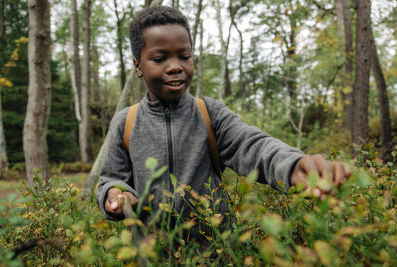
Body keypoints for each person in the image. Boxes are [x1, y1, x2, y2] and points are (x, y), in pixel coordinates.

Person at [96, 6, 351, 225]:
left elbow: (250, 144)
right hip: (149, 254)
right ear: (138, 66)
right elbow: (112, 178)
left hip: (213, 251)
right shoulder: (125, 123)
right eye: (160, 58)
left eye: (184, 56)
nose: (175, 66)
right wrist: (115, 195)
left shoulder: (209, 113)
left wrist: (292, 165)